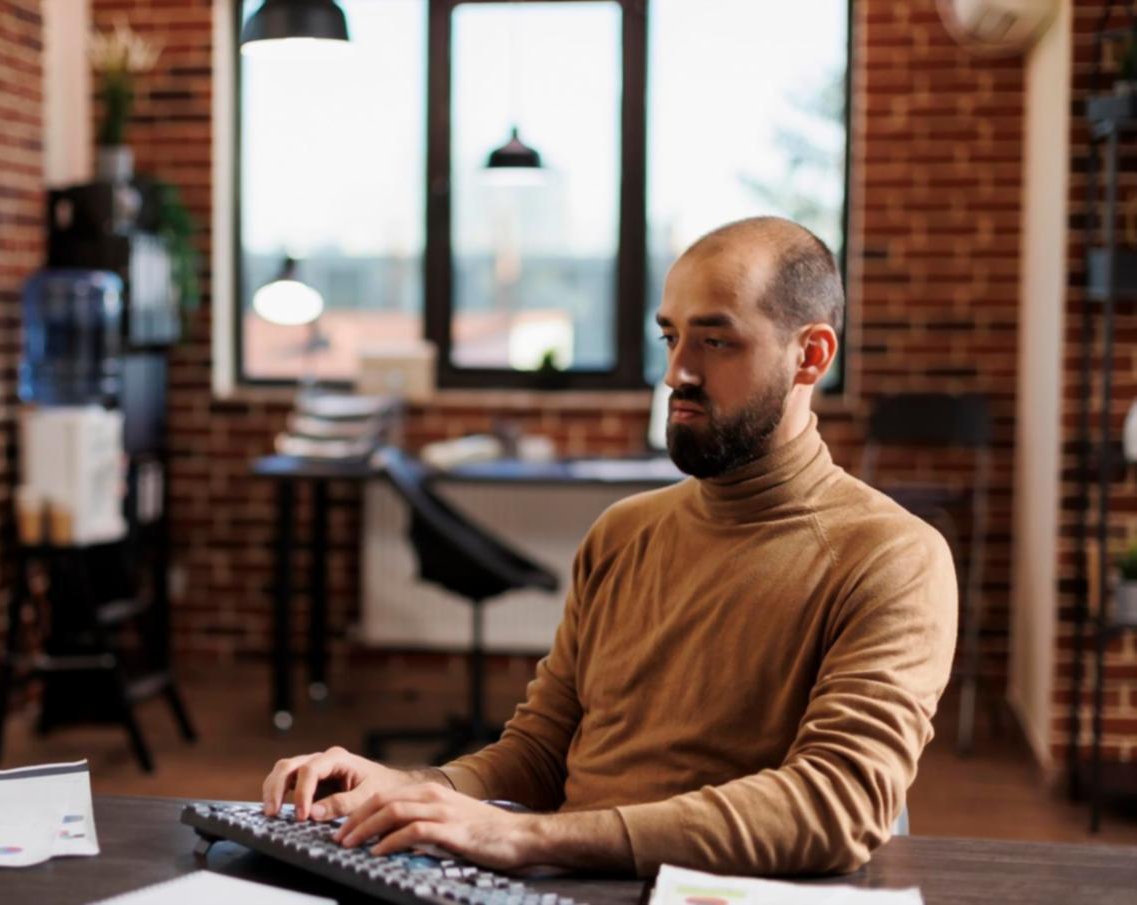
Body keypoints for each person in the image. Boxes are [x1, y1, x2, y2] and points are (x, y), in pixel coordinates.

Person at [261, 216, 958, 877]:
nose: (676, 373)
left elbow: (836, 807)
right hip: (570, 877)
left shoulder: (893, 558)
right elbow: (539, 751)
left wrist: (525, 836)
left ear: (811, 355)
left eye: (716, 341)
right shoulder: (624, 532)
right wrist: (417, 787)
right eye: (670, 337)